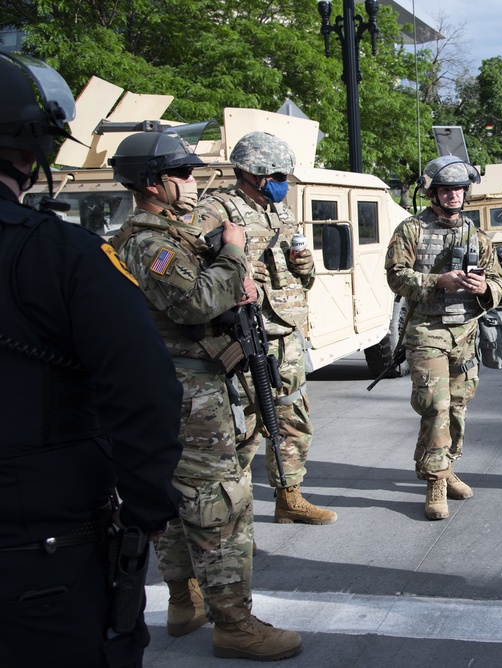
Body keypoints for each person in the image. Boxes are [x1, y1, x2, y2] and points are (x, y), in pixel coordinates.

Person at [0, 53, 183, 668]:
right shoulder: (65, 256)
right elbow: (144, 388)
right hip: (41, 546)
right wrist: (147, 506)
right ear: (33, 149)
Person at [110, 131, 303, 661]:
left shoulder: (166, 234)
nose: (194, 183)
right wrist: (236, 254)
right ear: (155, 184)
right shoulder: (147, 243)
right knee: (221, 506)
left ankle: (184, 602)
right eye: (184, 174)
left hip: (187, 384)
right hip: (189, 392)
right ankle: (235, 625)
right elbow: (195, 302)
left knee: (178, 504)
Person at [195, 131, 335, 526]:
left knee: (292, 420)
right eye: (276, 175)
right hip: (242, 334)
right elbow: (193, 271)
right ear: (252, 172)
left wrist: (304, 268)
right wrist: (236, 267)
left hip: (286, 331)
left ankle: (289, 497)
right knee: (244, 430)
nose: (282, 183)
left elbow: (293, 273)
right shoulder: (216, 209)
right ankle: (233, 521)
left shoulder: (281, 212)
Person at [385, 156, 502, 520]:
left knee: (456, 407)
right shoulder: (411, 230)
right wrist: (438, 281)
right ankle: (435, 482)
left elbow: (498, 282)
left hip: (465, 333)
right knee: (434, 406)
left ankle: (447, 465)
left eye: (458, 189)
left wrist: (485, 287)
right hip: (427, 331)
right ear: (432, 193)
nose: (453, 195)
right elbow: (395, 276)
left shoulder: (477, 235)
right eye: (446, 189)